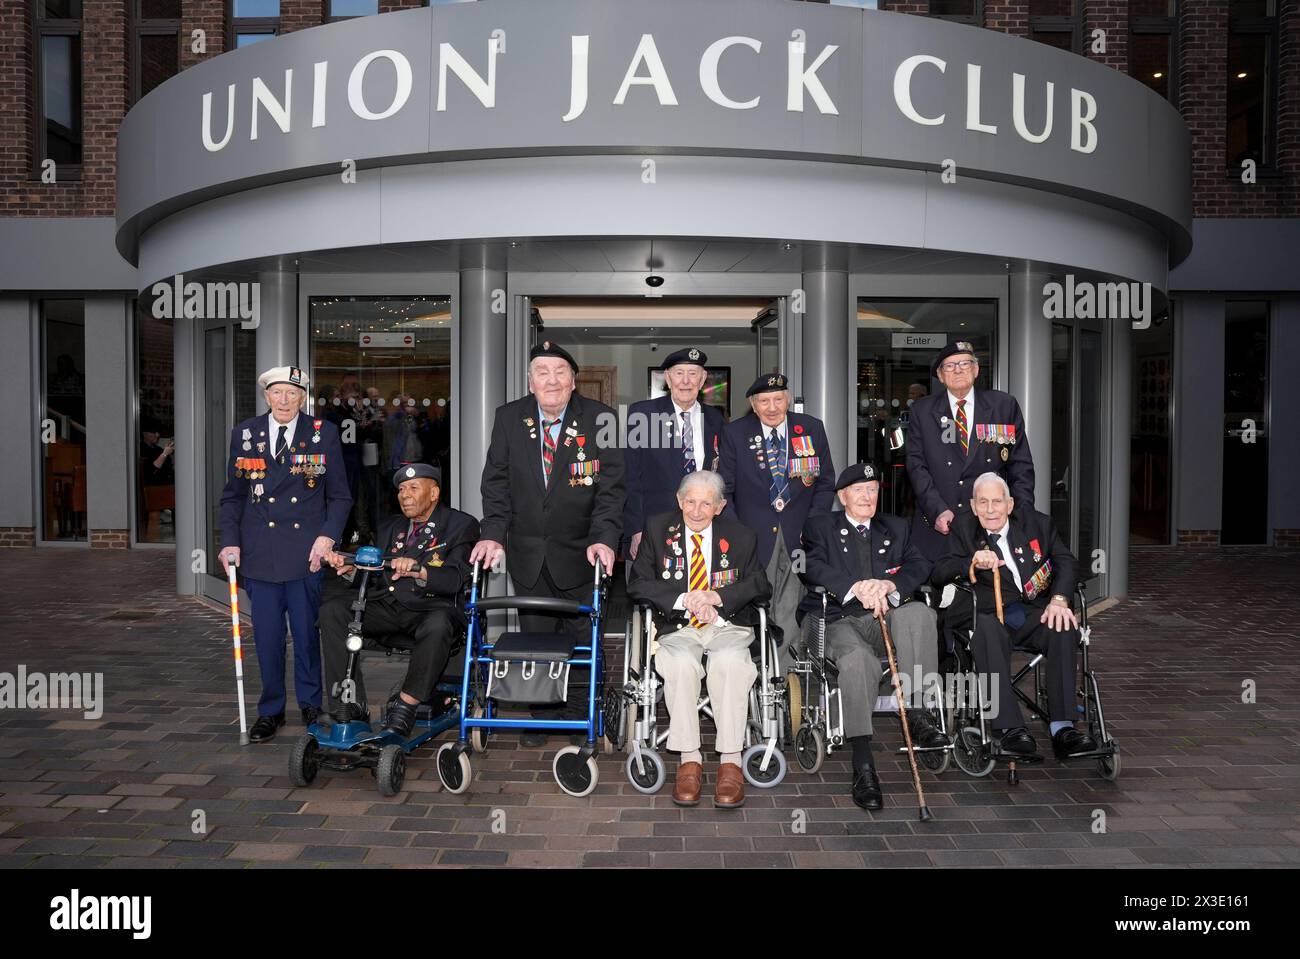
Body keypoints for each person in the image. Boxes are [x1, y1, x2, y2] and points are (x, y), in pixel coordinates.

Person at [471, 340, 626, 745]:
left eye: (560, 372)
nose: (551, 380)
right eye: (543, 372)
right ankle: (543, 714)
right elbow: (496, 484)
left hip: (583, 551)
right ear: (530, 380)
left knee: (580, 638)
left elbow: (612, 489)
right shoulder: (509, 418)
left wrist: (605, 539)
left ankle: (580, 711)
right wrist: (492, 535)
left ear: (573, 381)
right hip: (527, 552)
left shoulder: (601, 418)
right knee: (536, 636)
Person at [798, 462, 949, 810]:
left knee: (920, 613)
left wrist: (889, 585)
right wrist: (854, 588)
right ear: (842, 497)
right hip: (837, 619)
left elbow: (920, 565)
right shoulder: (819, 527)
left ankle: (916, 710)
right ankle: (863, 763)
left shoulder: (896, 527)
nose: (867, 496)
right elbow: (810, 566)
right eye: (858, 490)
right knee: (857, 661)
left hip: (887, 619)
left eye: (872, 490)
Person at [218, 366, 352, 743]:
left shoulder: (322, 434)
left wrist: (327, 539)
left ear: (303, 397)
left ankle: (310, 705)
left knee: (307, 636)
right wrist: (229, 541)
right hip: (260, 553)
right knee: (268, 637)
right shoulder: (245, 434)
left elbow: (340, 495)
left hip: (305, 554)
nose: (284, 401)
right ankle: (271, 710)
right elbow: (233, 496)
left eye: (292, 394)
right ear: (266, 396)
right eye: (277, 393)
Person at [628, 471, 770, 809]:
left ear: (719, 507)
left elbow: (759, 585)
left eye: (706, 503)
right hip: (678, 626)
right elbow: (638, 583)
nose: (696, 510)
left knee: (731, 664)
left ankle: (730, 761)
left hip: (727, 625)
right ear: (679, 501)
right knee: (680, 664)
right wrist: (685, 599)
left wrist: (717, 598)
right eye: (689, 501)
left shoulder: (742, 536)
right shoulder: (657, 529)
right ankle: (689, 759)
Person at [932, 472, 1096, 761]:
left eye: (997, 501)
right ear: (973, 506)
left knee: (1063, 627)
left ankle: (1063, 728)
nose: (991, 509)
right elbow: (939, 571)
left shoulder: (1038, 524)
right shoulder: (963, 529)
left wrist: (1059, 600)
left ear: (1010, 504)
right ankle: (1010, 728)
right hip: (981, 614)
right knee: (987, 631)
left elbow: (1066, 562)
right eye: (983, 502)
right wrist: (970, 561)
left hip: (1029, 614)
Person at [319, 463, 478, 735]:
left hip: (431, 609)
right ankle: (349, 705)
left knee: (438, 624)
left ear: (434, 493)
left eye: (413, 488)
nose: (405, 495)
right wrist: (350, 570)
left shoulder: (460, 525)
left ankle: (406, 706)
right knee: (333, 610)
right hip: (389, 606)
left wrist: (421, 570)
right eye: (401, 489)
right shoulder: (391, 526)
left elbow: (456, 579)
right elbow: (375, 572)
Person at [718, 372, 834, 662]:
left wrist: (814, 524)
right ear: (753, 405)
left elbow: (825, 482)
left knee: (790, 605)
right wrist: (737, 535)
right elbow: (725, 489)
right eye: (764, 401)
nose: (772, 407)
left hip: (798, 535)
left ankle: (781, 676)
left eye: (778, 399)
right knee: (754, 605)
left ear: (788, 400)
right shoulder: (735, 433)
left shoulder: (811, 429)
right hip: (752, 537)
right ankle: (752, 671)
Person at [904, 341, 1035, 562]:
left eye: (965, 363)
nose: (958, 370)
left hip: (992, 523)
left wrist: (1018, 515)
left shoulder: (1003, 405)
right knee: (939, 591)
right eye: (950, 366)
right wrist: (937, 510)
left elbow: (1020, 466)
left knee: (995, 592)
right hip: (942, 525)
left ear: (976, 370)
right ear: (940, 375)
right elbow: (917, 467)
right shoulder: (922, 411)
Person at [624, 347, 725, 560]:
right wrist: (635, 529)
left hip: (702, 528)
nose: (686, 381)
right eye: (679, 373)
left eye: (693, 373)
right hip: (652, 530)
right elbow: (630, 477)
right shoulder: (643, 414)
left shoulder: (716, 420)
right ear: (668, 379)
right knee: (650, 592)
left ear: (703, 378)